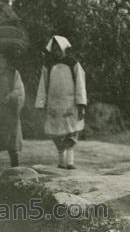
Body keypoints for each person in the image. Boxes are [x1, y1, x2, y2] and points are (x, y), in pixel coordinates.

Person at [35, 35, 87, 170]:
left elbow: (80, 85)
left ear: (64, 49)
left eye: (59, 49)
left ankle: (70, 161)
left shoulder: (73, 64)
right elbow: (43, 85)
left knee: (72, 131)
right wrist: (41, 104)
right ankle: (61, 160)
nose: (57, 52)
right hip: (54, 105)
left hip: (70, 104)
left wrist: (81, 104)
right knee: (56, 133)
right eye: (54, 50)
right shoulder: (48, 65)